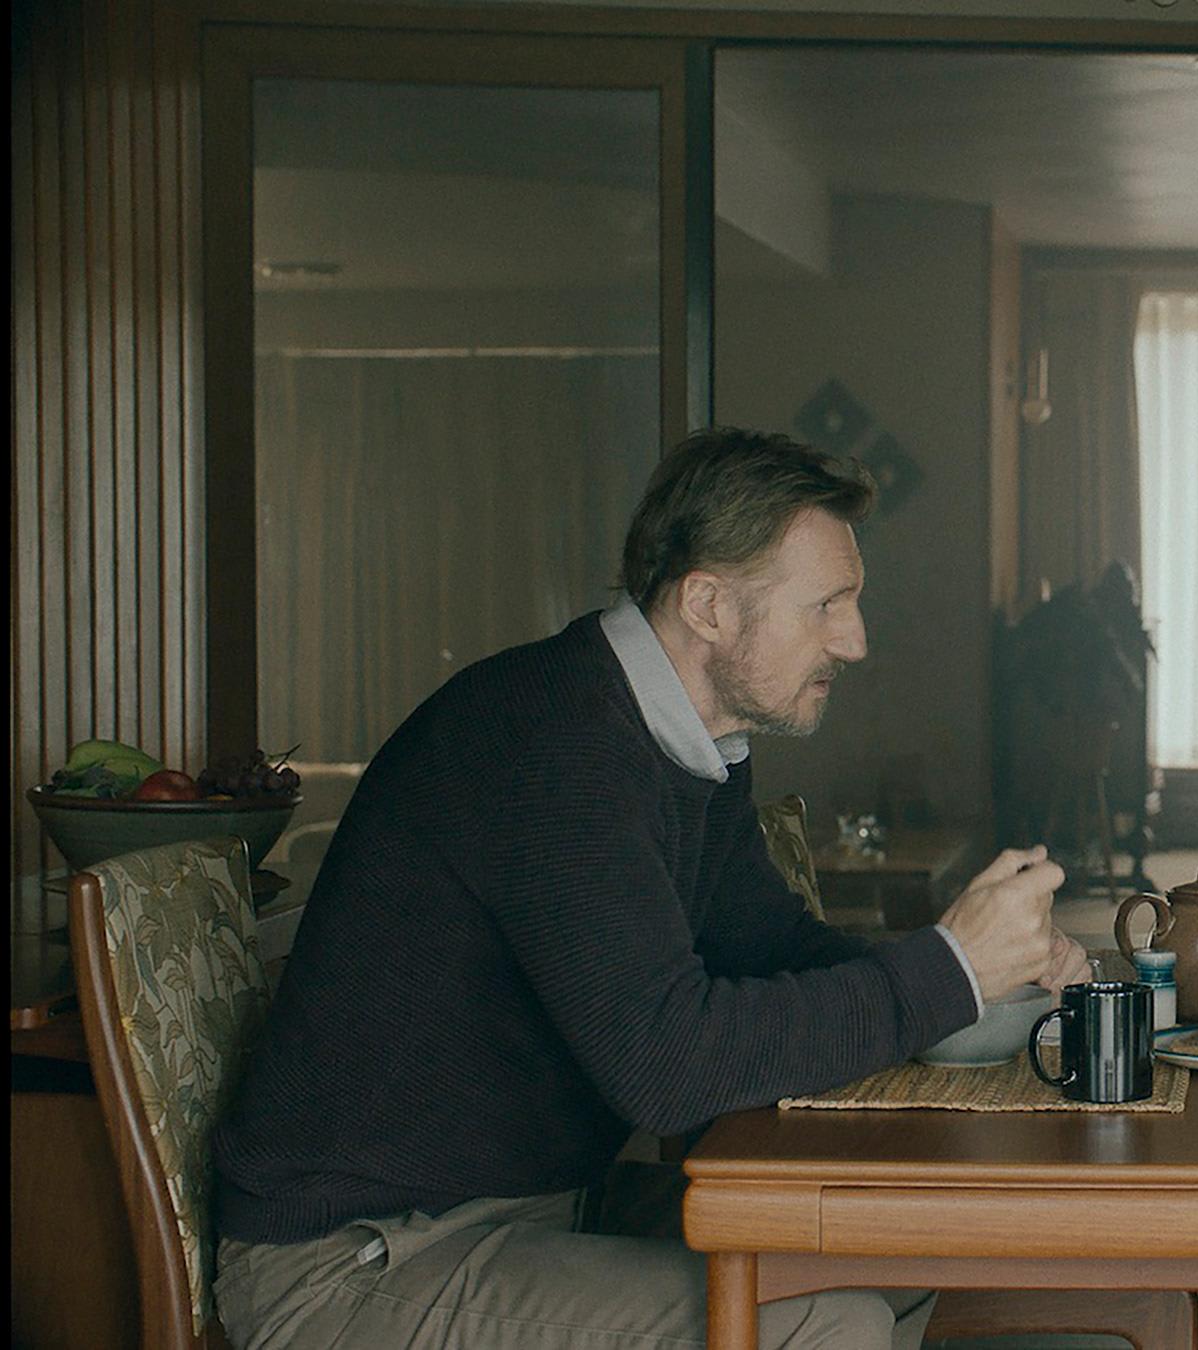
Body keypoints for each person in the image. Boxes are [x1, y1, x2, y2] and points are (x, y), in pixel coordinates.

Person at [211, 427, 1091, 1348]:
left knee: (890, 1261)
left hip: (531, 1214)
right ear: (708, 605)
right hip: (357, 1261)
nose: (856, 641)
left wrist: (986, 978)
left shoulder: (678, 743)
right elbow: (670, 1070)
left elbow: (773, 947)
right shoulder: (552, 743)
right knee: (830, 1328)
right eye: (828, 604)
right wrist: (948, 971)